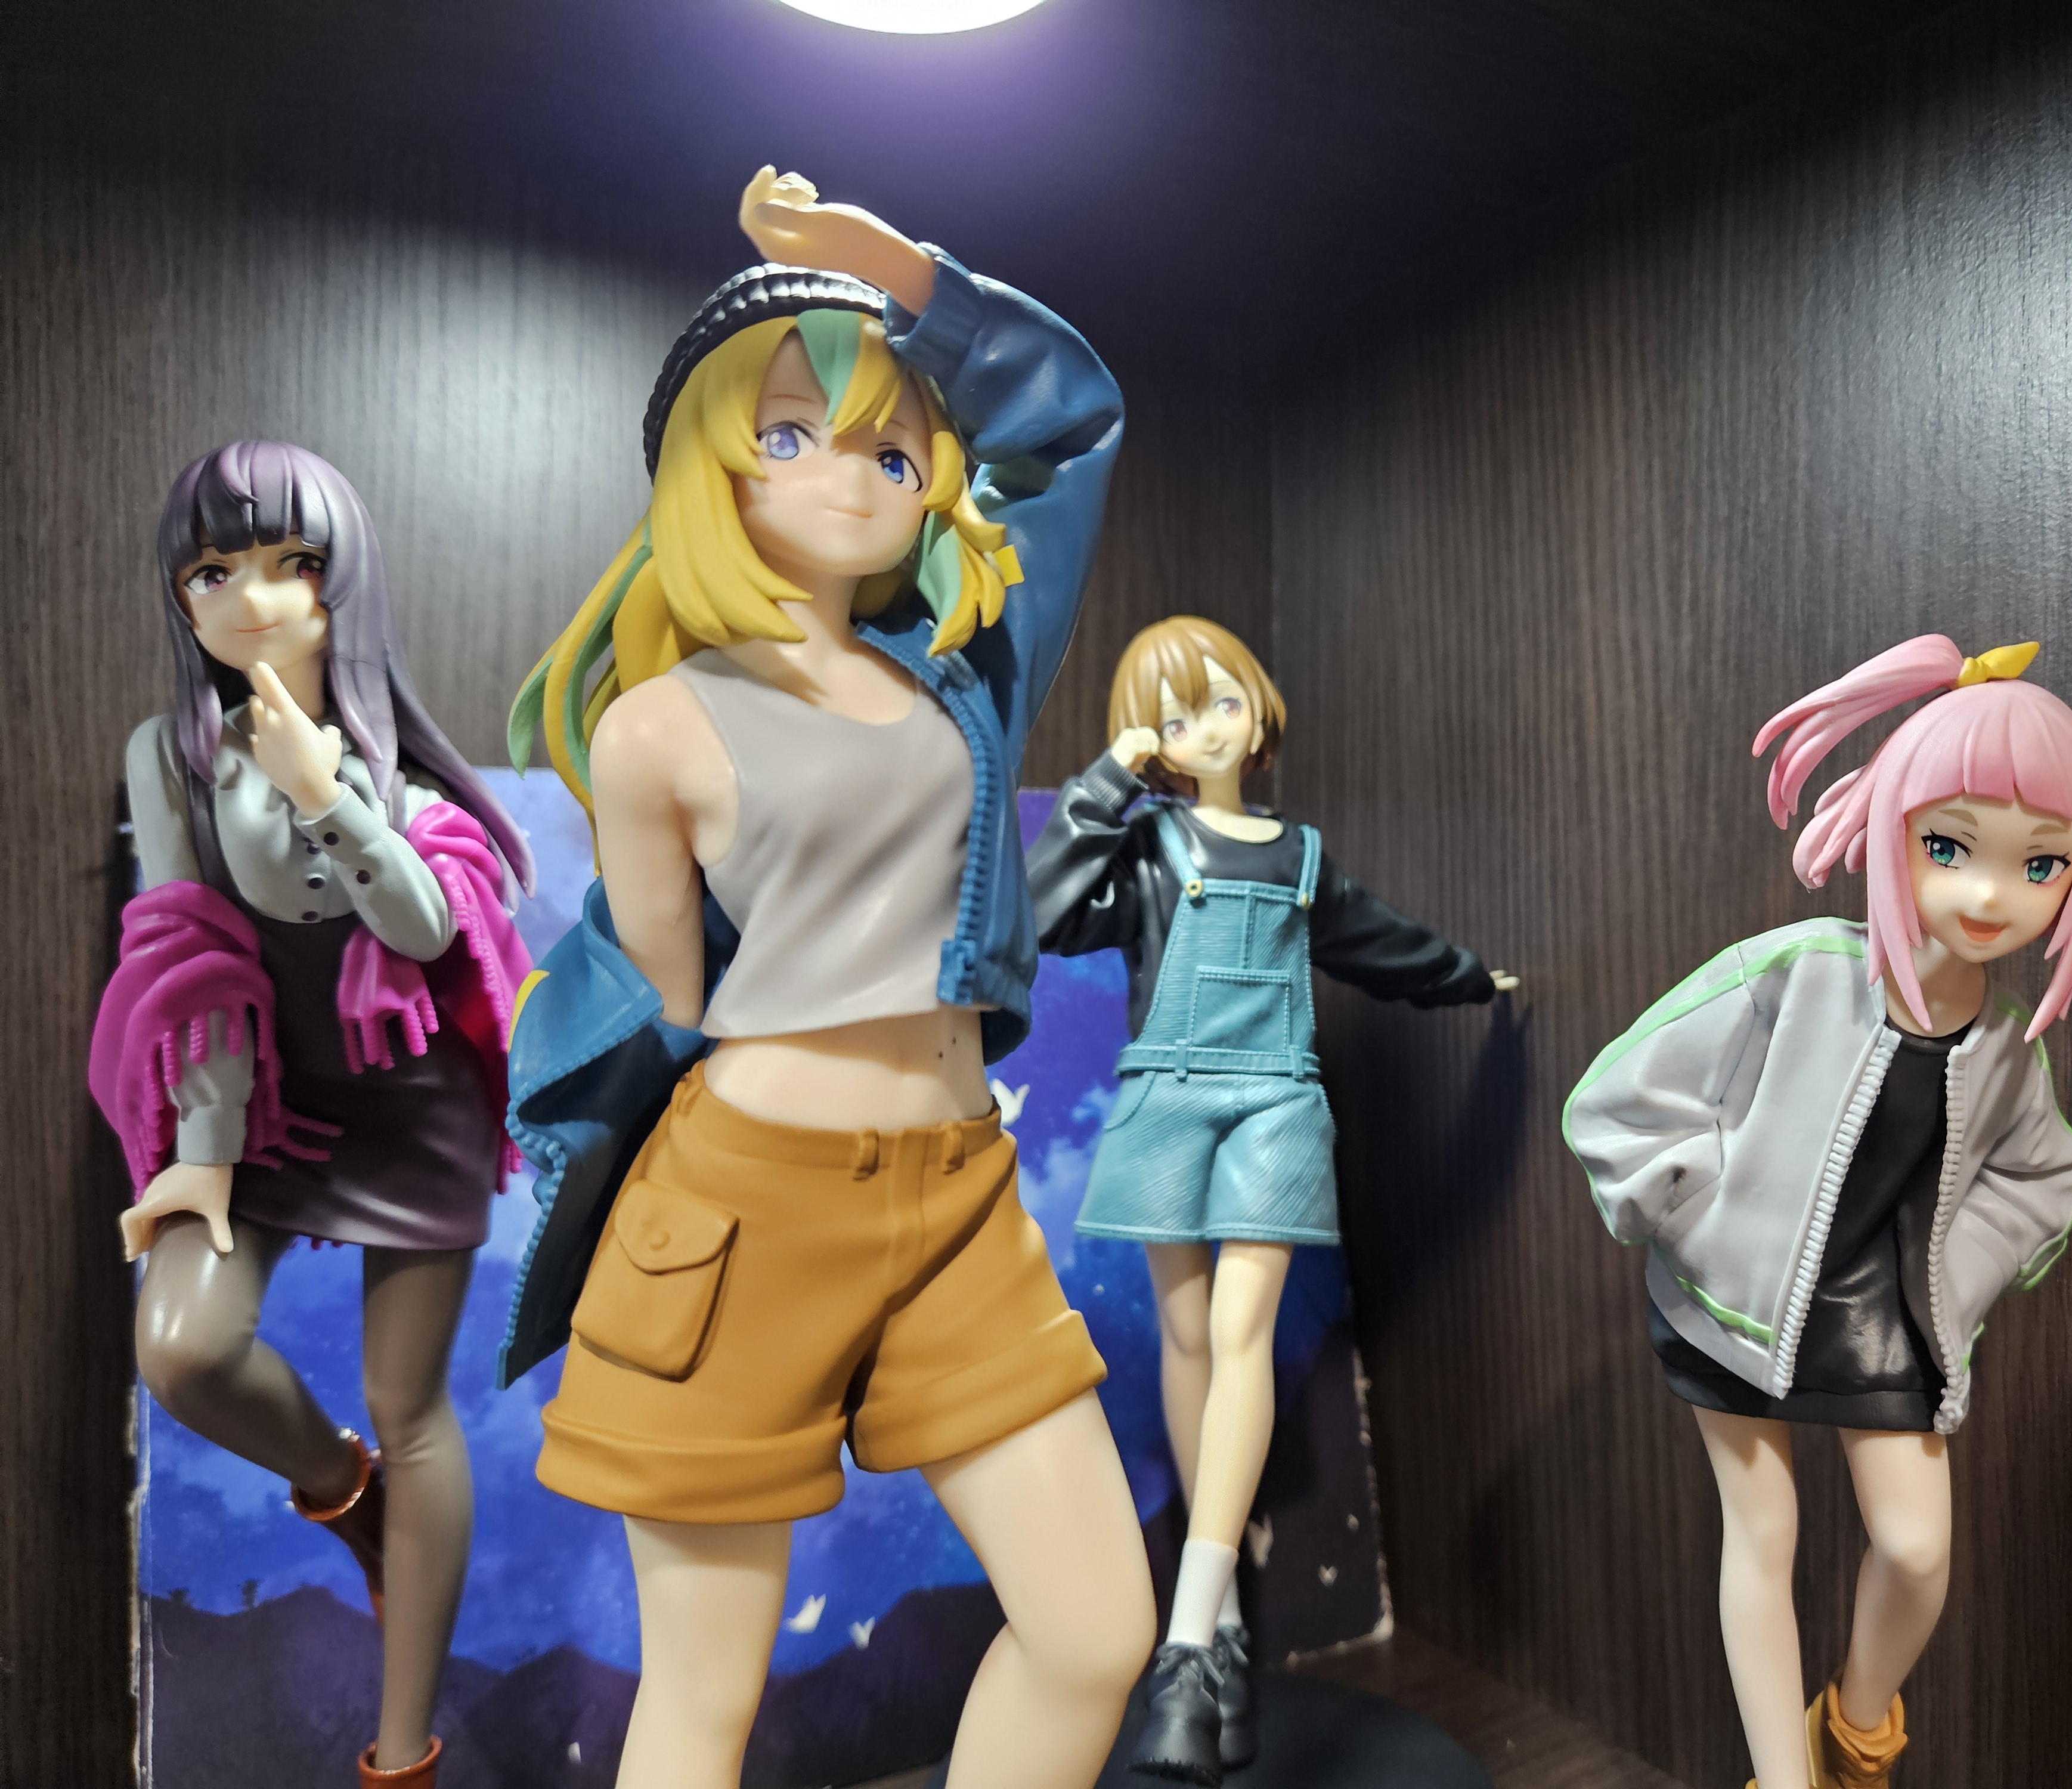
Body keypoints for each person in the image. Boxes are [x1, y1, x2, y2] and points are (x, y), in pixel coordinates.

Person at [498, 168, 1151, 1789]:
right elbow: (668, 991)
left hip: (959, 1200)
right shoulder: (660, 728)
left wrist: (900, 274)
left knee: (1093, 1629)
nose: (846, 479)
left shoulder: (964, 681)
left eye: (889, 450)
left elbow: (1071, 427)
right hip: (744, 1212)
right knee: (703, 1699)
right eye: (785, 436)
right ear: (705, 470)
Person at [1565, 636, 2072, 1789]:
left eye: (2040, 864)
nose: (1989, 894)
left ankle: (1854, 1739)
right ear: (1891, 828)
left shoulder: (2005, 1048)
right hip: (1735, 1303)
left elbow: (2043, 1177)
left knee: (1916, 1550)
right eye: (1949, 846)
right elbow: (1621, 1097)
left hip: (1881, 1314)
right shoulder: (1800, 969)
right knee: (1762, 1537)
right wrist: (1703, 1223)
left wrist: (1956, 1279)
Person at [93, 440, 534, 1787]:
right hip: (267, 1105)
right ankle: (348, 1492)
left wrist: (321, 790)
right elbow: (190, 950)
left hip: (415, 1102)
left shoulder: (397, 766)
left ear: (345, 585)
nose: (252, 599)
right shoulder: (169, 754)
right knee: (182, 1347)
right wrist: (205, 1150)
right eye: (213, 571)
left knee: (415, 1405)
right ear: (181, 596)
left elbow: (423, 928)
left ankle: (402, 1759)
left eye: (292, 564)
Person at [1029, 614, 1516, 1784]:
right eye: (1173, 714)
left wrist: (1465, 979)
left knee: (1238, 1331)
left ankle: (1189, 1639)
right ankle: (1231, 1630)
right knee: (1189, 1337)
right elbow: (1043, 914)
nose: (1204, 728)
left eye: (1219, 701)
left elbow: (1379, 942)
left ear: (1255, 706)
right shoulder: (1145, 849)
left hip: (1272, 1105)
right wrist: (1106, 780)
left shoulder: (1300, 859)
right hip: (1164, 1096)